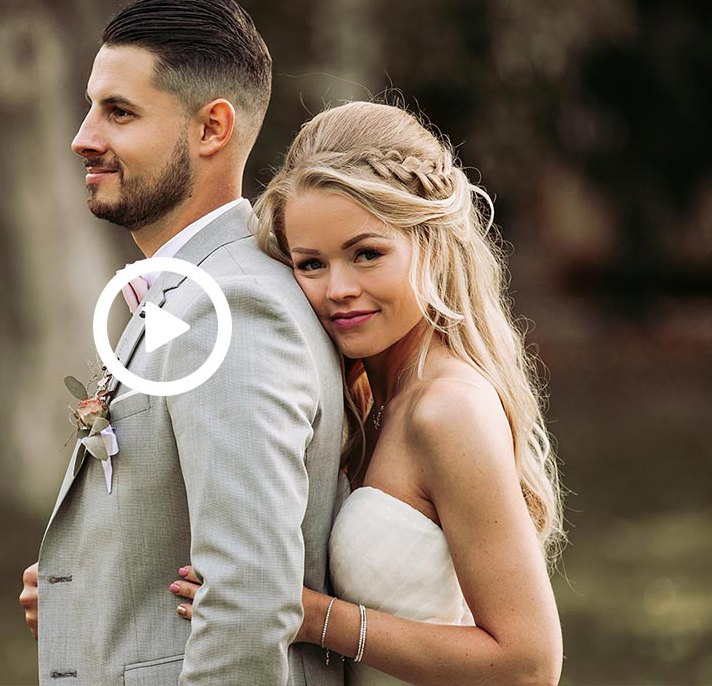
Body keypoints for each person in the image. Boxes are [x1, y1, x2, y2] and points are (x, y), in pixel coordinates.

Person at [168, 101, 566, 685]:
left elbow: (529, 664)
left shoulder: (447, 409)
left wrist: (308, 616)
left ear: (431, 243)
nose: (339, 289)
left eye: (367, 254)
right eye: (311, 264)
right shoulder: (359, 399)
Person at [19, 0, 346, 686]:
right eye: (91, 107)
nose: (83, 137)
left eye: (119, 112)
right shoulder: (192, 293)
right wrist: (83, 584)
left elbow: (249, 599)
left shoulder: (232, 310)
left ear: (211, 129)